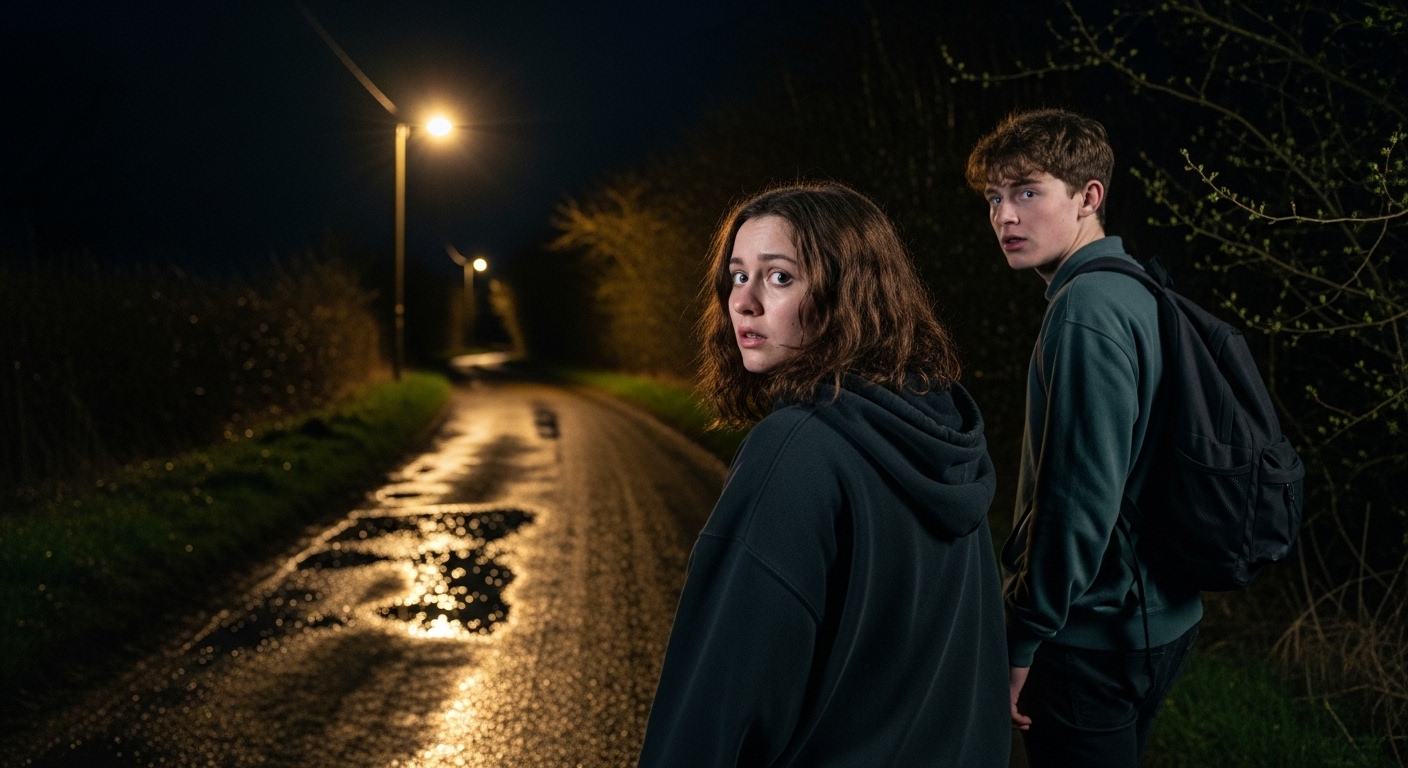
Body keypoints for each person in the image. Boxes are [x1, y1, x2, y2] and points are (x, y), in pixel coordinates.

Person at [637, 182, 1010, 767]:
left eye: (780, 277)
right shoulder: (944, 434)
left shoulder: (795, 448)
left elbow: (720, 700)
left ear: (848, 294)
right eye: (738, 275)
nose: (745, 302)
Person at [967, 109, 1202, 766]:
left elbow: (1076, 503)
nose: (1004, 217)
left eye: (1027, 192)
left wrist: (1022, 639)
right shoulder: (1137, 287)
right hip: (1160, 615)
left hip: (1092, 636)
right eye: (994, 198)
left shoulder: (1085, 311)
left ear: (1088, 196)